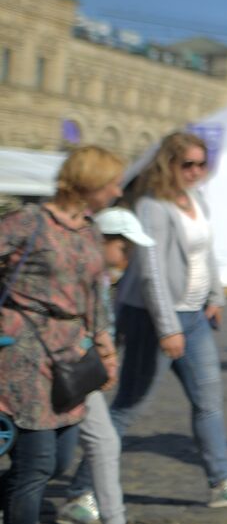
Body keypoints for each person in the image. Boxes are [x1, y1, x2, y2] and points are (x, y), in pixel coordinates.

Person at [77, 132, 227, 509]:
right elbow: (151, 272)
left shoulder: (196, 200)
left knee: (209, 401)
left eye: (202, 164)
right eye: (188, 165)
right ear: (169, 165)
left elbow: (205, 253)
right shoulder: (153, 206)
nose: (196, 171)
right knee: (129, 405)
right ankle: (81, 492)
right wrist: (168, 328)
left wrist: (214, 296)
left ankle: (221, 482)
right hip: (155, 317)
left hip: (195, 315)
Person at [1, 148, 119, 524]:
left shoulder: (89, 229)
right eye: (112, 183)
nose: (117, 191)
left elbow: (94, 293)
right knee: (37, 463)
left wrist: (105, 347)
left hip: (71, 352)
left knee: (60, 461)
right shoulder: (28, 221)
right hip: (27, 351)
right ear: (89, 183)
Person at [57, 156, 142, 524]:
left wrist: (105, 352)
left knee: (95, 444)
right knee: (46, 459)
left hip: (77, 365)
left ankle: (113, 517)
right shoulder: (75, 250)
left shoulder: (104, 274)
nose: (129, 257)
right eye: (125, 248)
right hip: (51, 360)